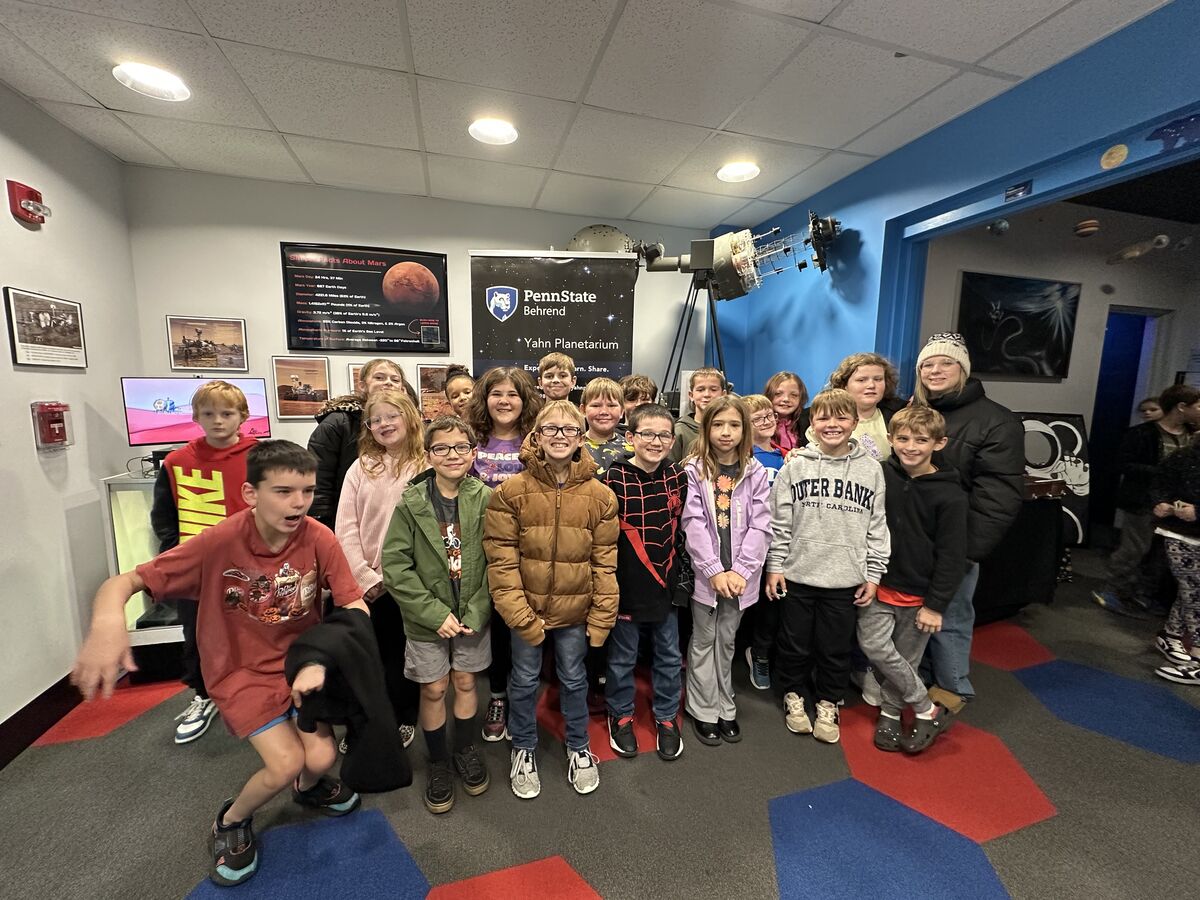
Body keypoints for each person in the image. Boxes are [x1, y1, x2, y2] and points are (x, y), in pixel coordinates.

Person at [71, 441, 368, 888]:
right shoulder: (219, 541)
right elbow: (125, 581)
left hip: (299, 665)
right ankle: (230, 820)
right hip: (239, 671)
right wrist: (107, 622)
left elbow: (353, 603)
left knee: (323, 756)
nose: (299, 503)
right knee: (285, 763)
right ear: (251, 493)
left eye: (307, 491)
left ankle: (308, 790)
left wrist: (325, 656)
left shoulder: (318, 537)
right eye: (283, 491)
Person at [484, 400, 618, 798]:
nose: (560, 436)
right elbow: (501, 561)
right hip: (527, 610)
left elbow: (605, 564)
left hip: (576, 611)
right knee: (524, 680)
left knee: (575, 679)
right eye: (551, 429)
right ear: (537, 436)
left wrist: (602, 617)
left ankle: (579, 746)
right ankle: (523, 746)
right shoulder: (510, 492)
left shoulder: (601, 497)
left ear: (580, 437)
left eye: (569, 429)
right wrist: (519, 614)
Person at [766, 389, 890, 745]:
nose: (831, 424)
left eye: (841, 417)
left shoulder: (871, 470)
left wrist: (874, 573)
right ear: (812, 423)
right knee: (794, 644)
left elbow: (877, 525)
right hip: (798, 573)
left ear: (855, 422)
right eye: (823, 417)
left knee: (834, 647)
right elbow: (780, 521)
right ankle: (793, 695)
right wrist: (775, 565)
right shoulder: (796, 465)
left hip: (845, 578)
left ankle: (827, 701)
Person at [382, 415, 492, 814]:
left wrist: (478, 610)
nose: (452, 455)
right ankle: (438, 760)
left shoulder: (486, 498)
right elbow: (396, 566)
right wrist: (432, 614)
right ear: (428, 454)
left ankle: (464, 749)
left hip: (473, 615)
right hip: (426, 619)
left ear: (473, 452)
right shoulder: (411, 503)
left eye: (461, 447)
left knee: (465, 681)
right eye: (441, 448)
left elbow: (499, 559)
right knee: (433, 688)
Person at [912, 333, 1023, 715]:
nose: (935, 370)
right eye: (928, 364)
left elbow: (998, 498)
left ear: (963, 369)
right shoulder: (918, 413)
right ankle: (919, 683)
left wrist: (964, 552)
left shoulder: (997, 421)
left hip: (954, 546)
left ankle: (951, 691)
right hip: (913, 541)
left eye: (946, 363)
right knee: (915, 618)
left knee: (950, 618)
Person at [150, 380, 257, 745]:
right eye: (208, 413)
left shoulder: (260, 457)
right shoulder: (176, 462)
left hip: (250, 567)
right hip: (198, 571)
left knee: (256, 630)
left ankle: (258, 692)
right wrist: (177, 561)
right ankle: (204, 694)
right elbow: (164, 518)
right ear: (196, 417)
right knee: (198, 635)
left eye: (226, 413)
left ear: (242, 416)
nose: (218, 421)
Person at [857, 407, 967, 754]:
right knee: (875, 646)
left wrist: (935, 605)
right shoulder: (879, 475)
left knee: (906, 658)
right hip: (878, 583)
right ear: (890, 439)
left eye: (921, 440)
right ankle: (927, 707)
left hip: (919, 595)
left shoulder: (951, 495)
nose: (911, 446)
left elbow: (952, 556)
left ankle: (890, 714)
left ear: (939, 443)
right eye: (903, 438)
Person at [334, 389, 425, 753]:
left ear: (409, 417)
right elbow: (345, 528)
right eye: (376, 420)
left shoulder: (426, 464)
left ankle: (403, 717)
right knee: (364, 659)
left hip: (411, 581)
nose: (384, 424)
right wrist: (365, 577)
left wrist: (397, 577)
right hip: (367, 583)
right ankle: (364, 721)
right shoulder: (360, 467)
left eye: (392, 416)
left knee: (402, 657)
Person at [682, 396, 771, 746]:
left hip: (740, 579)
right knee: (704, 639)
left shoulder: (756, 472)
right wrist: (714, 570)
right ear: (706, 429)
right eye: (718, 425)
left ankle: (725, 703)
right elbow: (693, 522)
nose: (725, 432)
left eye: (734, 425)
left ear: (744, 430)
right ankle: (703, 708)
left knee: (728, 639)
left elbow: (761, 525)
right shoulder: (694, 470)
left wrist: (741, 571)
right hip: (708, 577)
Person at [603, 402, 687, 761]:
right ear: (631, 436)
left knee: (669, 655)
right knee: (622, 658)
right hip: (626, 586)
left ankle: (666, 715)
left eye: (664, 435)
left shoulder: (678, 476)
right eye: (647, 434)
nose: (656, 441)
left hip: (665, 584)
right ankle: (620, 713)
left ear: (672, 439)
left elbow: (680, 530)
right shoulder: (612, 478)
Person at [465, 366, 541, 741]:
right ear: (485, 398)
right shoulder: (470, 439)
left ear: (525, 400)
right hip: (482, 548)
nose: (505, 401)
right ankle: (497, 696)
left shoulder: (537, 440)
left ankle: (524, 699)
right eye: (497, 393)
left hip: (529, 549)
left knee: (523, 627)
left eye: (513, 394)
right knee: (493, 627)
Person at [1093, 384, 1200, 617]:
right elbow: (1123, 464)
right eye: (1198, 406)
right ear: (1182, 407)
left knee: (1159, 553)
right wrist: (1164, 472)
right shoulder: (1143, 434)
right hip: (1142, 501)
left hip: (1175, 507)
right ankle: (1112, 590)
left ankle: (1141, 593)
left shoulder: (1192, 435)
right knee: (1135, 548)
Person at [308, 359, 417, 529]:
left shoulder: (413, 428)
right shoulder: (337, 424)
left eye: (395, 379)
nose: (388, 383)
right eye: (379, 377)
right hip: (344, 522)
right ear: (363, 385)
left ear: (402, 388)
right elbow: (319, 484)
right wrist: (323, 530)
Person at [741, 393, 785, 691]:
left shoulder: (788, 457)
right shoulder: (743, 458)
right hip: (747, 541)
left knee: (772, 603)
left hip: (779, 543)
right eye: (757, 418)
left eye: (769, 415)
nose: (766, 421)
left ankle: (761, 653)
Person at [1150, 439, 1200, 684]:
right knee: (1194, 592)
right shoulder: (1185, 455)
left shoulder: (1186, 454)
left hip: (1186, 532)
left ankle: (1170, 635)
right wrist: (1161, 503)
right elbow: (1160, 483)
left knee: (1191, 591)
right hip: (1181, 534)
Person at [804, 352, 905, 461]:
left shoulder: (900, 415)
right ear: (844, 385)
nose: (871, 385)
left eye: (878, 379)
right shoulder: (819, 421)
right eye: (861, 380)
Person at [668, 367, 725, 464]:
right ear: (691, 395)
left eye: (713, 390)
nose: (707, 394)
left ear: (723, 395)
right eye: (700, 390)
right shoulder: (679, 431)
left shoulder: (730, 429)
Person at [581, 376, 632, 476]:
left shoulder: (632, 449)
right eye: (596, 405)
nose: (604, 412)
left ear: (622, 411)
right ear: (583, 410)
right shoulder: (574, 448)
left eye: (611, 405)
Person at [765, 371, 808, 453]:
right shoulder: (760, 425)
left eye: (794, 395)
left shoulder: (807, 423)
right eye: (778, 394)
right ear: (768, 395)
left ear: (801, 399)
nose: (786, 399)